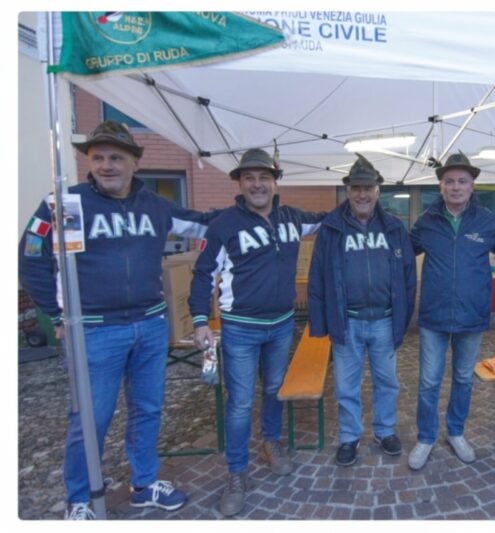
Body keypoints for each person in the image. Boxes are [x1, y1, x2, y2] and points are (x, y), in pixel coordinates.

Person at [19, 120, 213, 519]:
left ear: (134, 163)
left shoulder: (156, 206)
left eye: (116, 158)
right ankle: (79, 499)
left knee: (148, 409)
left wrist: (251, 211)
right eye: (98, 158)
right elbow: (31, 255)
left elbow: (204, 223)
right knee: (90, 418)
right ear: (89, 162)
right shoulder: (64, 203)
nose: (107, 165)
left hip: (151, 325)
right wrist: (55, 314)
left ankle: (144, 484)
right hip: (93, 330)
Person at [189, 148, 325, 517]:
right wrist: (199, 319)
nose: (257, 184)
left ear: (275, 181)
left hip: (281, 324)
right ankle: (236, 473)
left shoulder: (292, 218)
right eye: (249, 178)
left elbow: (329, 220)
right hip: (241, 328)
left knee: (275, 389)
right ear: (240, 183)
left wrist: (365, 197)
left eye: (264, 177)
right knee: (240, 402)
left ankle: (271, 442)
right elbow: (203, 273)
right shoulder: (224, 225)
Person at [407, 152, 495, 470]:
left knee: (464, 379)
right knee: (429, 381)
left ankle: (455, 432)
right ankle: (426, 437)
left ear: (472, 185)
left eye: (462, 181)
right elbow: (400, 254)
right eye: (450, 181)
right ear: (441, 186)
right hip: (434, 316)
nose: (456, 187)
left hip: (472, 316)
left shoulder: (488, 222)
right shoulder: (426, 222)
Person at [308, 154, 416, 467]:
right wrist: (320, 325)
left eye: (368, 188)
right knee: (346, 386)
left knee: (388, 383)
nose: (362, 194)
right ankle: (349, 437)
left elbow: (409, 276)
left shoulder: (393, 227)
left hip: (384, 320)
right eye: (356, 188)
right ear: (348, 191)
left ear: (378, 190)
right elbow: (317, 276)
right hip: (347, 321)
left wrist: (402, 320)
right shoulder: (331, 228)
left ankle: (385, 430)